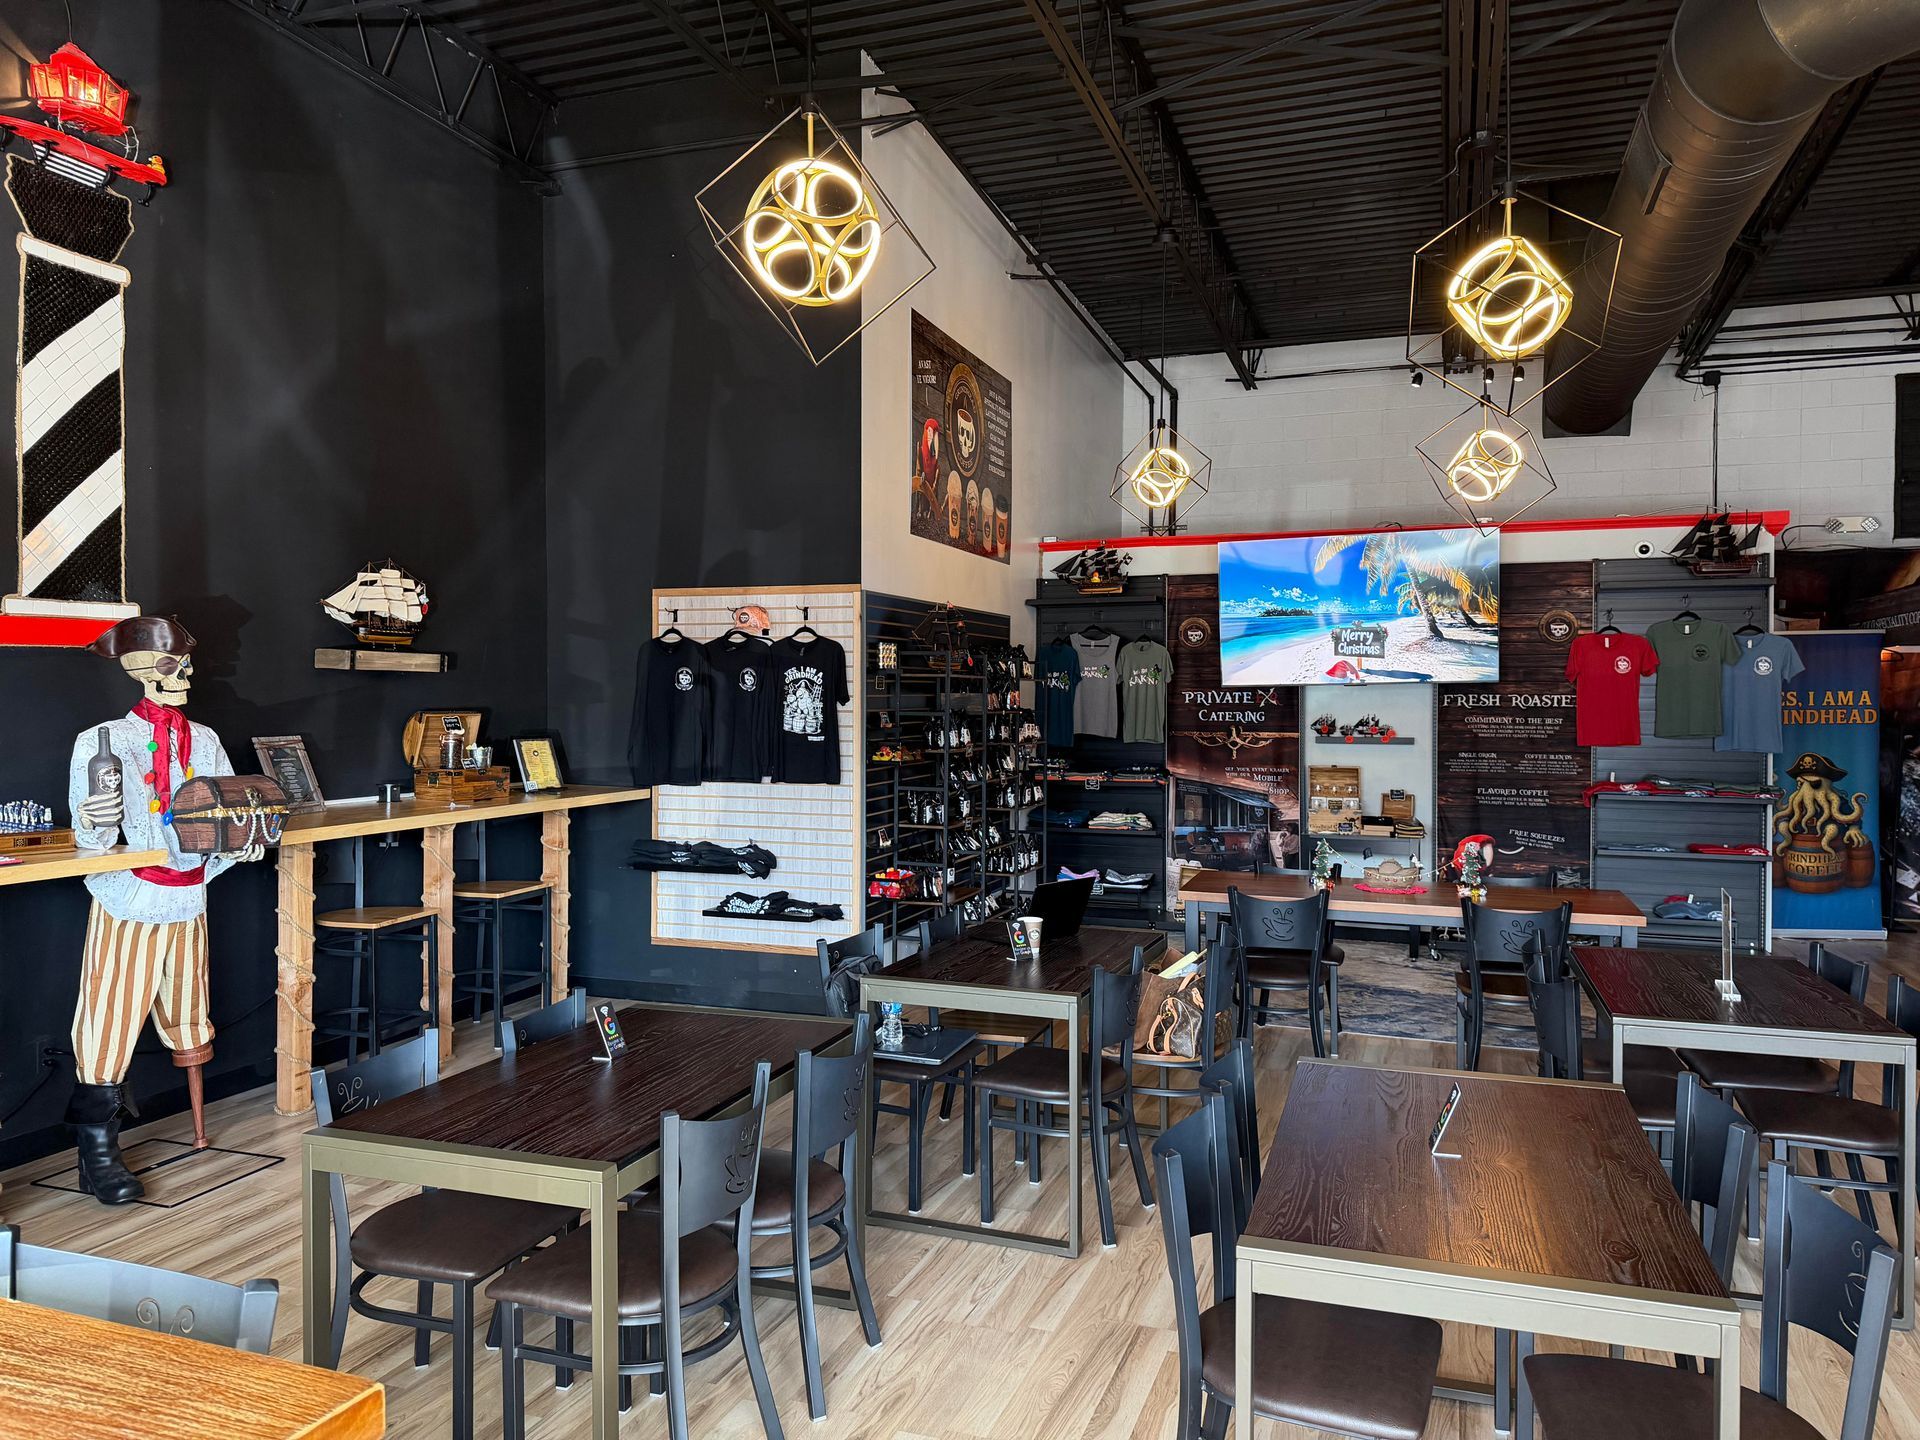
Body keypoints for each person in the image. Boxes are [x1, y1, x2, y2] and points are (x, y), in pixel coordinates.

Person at [65, 616, 261, 1204]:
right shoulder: (102, 741)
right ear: (138, 670)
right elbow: (89, 837)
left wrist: (243, 836)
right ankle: (96, 1150)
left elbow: (225, 812)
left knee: (188, 1009)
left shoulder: (202, 740)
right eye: (172, 666)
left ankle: (198, 1127)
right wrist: (97, 822)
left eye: (187, 665)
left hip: (188, 896)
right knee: (109, 1019)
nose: (185, 677)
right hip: (131, 899)